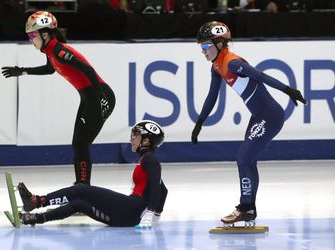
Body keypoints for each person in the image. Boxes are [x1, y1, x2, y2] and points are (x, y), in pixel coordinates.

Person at [191, 21, 306, 225]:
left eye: (205, 46)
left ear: (219, 43)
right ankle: (249, 208)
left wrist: (289, 90)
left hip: (269, 117)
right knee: (247, 160)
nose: (203, 51)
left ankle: (245, 208)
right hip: (259, 116)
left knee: (243, 158)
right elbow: (211, 96)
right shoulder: (217, 66)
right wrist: (199, 122)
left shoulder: (233, 63)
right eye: (201, 47)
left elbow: (260, 76)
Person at [1, 11, 115, 185]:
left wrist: (101, 97)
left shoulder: (59, 51)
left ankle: (83, 188)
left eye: (32, 35)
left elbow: (88, 70)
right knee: (78, 144)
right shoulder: (50, 50)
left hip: (100, 96)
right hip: (89, 97)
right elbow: (50, 69)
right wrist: (23, 70)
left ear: (45, 34)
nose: (30, 39)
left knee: (81, 144)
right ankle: (81, 186)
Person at [18, 120, 168, 228]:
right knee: (78, 204)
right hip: (128, 217)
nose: (131, 139)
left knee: (81, 189)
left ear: (146, 140)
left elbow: (156, 188)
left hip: (129, 208)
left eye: (135, 135)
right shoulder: (149, 160)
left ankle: (35, 202)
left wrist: (149, 215)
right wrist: (156, 217)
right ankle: (34, 218)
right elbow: (164, 190)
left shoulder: (149, 159)